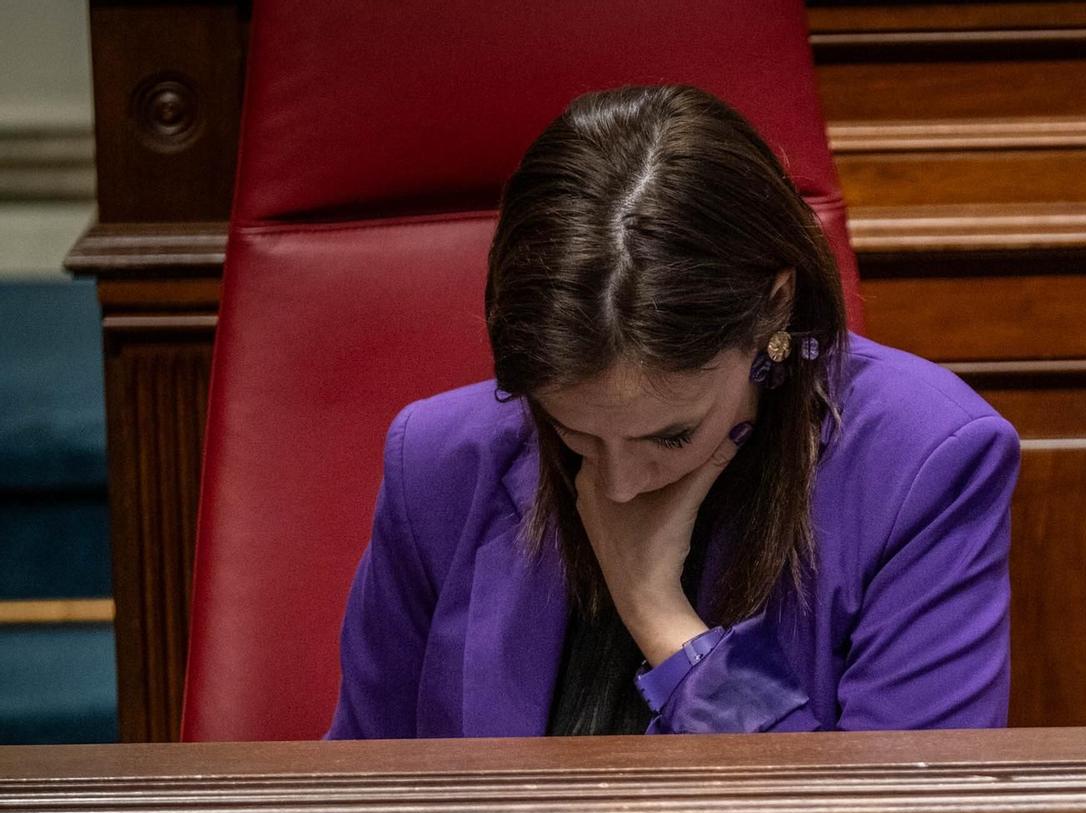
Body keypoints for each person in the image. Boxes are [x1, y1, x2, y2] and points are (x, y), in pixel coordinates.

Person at [327, 85, 1019, 737]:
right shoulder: (438, 461)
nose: (621, 486)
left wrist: (661, 616)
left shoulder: (925, 463)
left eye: (672, 432)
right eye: (575, 432)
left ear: (775, 308)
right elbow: (354, 809)